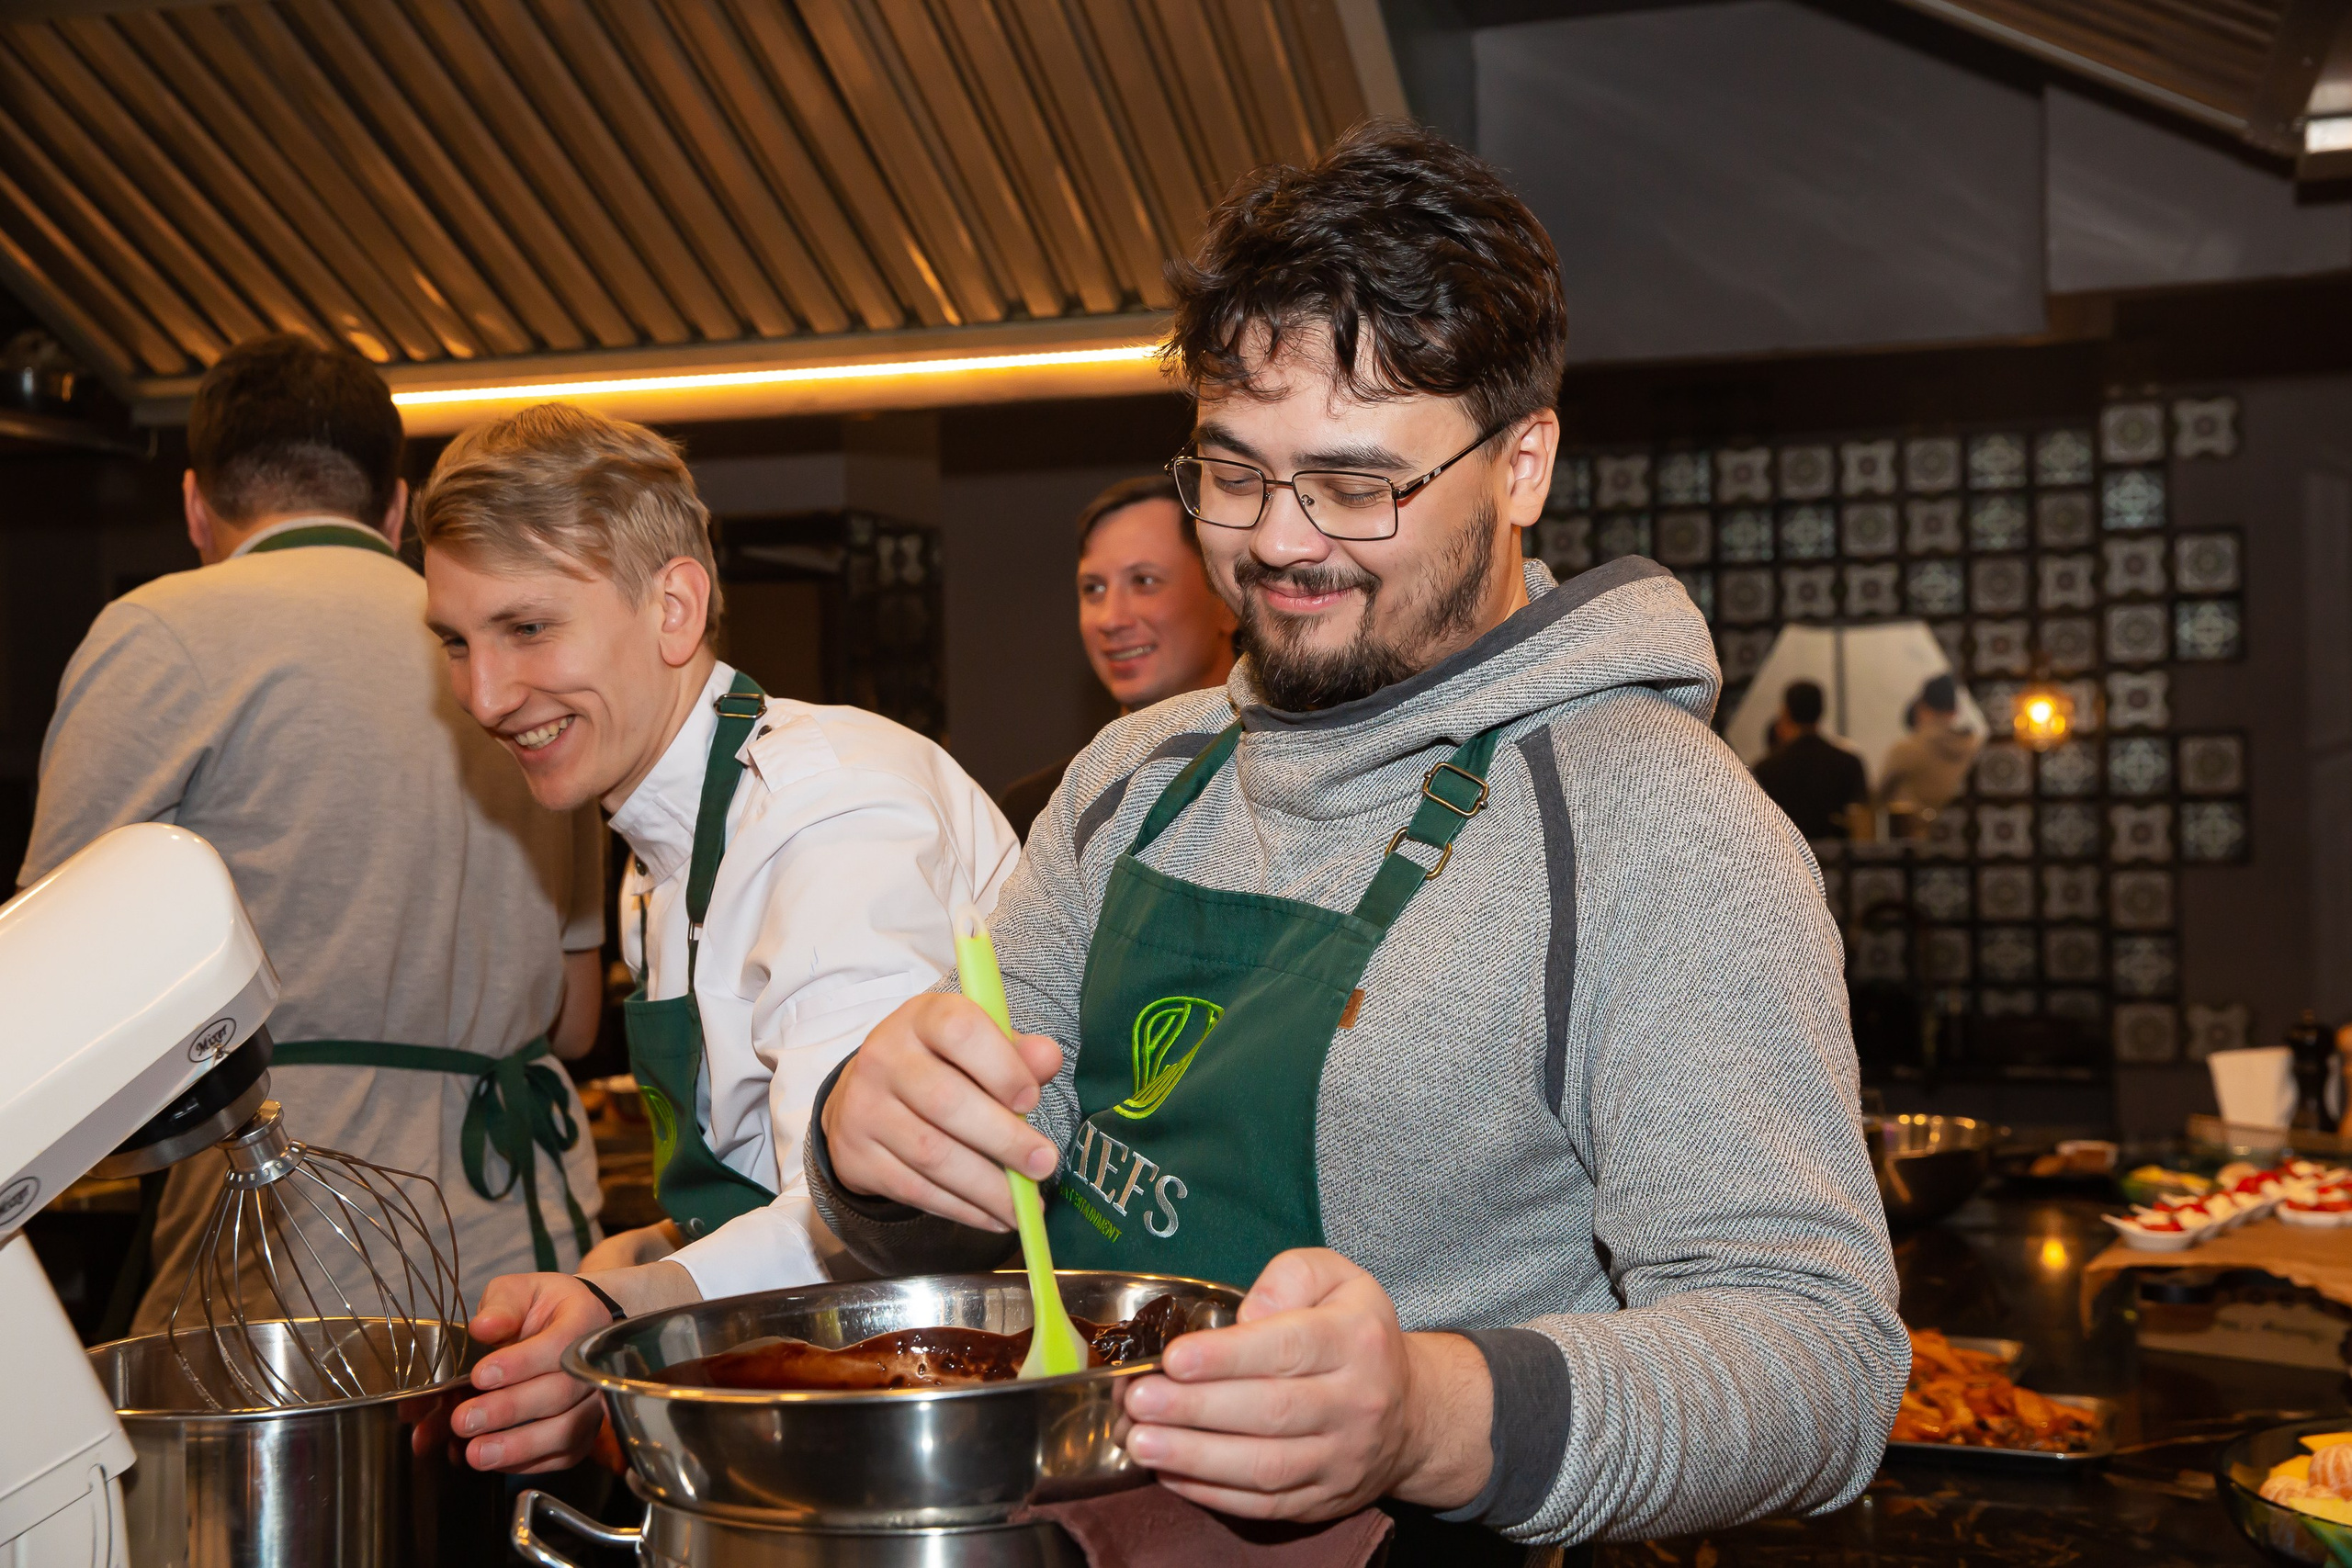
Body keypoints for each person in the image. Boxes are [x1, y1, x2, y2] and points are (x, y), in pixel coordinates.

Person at [808, 124, 1904, 1557]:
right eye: (1234, 474)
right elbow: (985, 1217)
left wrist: (1428, 1415)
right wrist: (872, 1150)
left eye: (1355, 483)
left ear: (1522, 464)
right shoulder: (1136, 774)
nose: (1278, 541)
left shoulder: (1657, 825)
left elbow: (1819, 1359)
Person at [416, 404, 1020, 1472]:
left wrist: (630, 1304)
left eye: (528, 629)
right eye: (457, 644)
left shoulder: (829, 812)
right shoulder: (659, 859)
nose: (485, 695)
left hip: (944, 1420)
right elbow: (764, 1172)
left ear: (674, 608)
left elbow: (878, 1219)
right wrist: (656, 1249)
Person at [19, 334, 607, 1327]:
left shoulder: (160, 631)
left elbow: (48, 1003)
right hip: (527, 1242)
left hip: (289, 1238)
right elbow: (577, 1020)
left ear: (195, 504)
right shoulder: (521, 653)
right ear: (398, 509)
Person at [997, 475, 1241, 839]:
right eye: (1093, 588)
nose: (1110, 620)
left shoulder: (1279, 788)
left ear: (1225, 601)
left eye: (1144, 581)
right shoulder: (1038, 814)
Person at [1751, 679, 1869, 840]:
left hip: (1786, 853)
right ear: (1822, 711)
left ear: (1786, 712)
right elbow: (1861, 823)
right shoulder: (1849, 763)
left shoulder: (1765, 769)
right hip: (1837, 854)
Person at [1876, 674, 1981, 811]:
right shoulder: (1976, 748)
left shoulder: (1907, 750)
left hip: (1911, 824)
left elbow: (1876, 800)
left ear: (1922, 708)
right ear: (1955, 711)